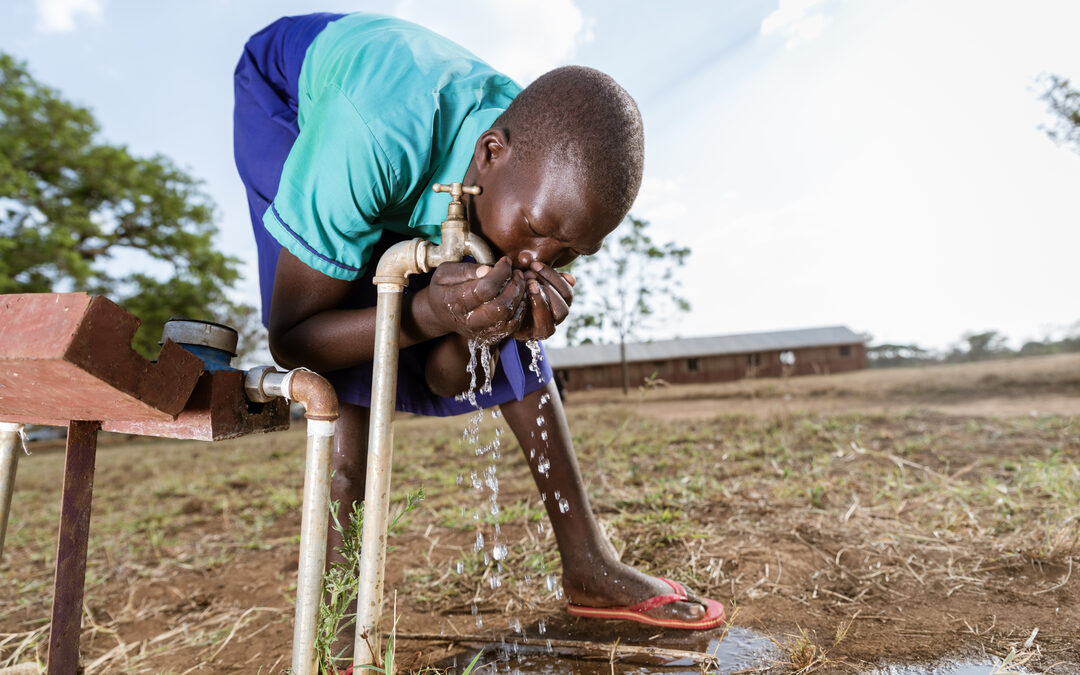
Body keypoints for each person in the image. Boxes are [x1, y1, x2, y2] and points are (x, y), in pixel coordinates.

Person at [233, 10, 724, 662]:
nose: (539, 257)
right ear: (491, 154)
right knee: (348, 338)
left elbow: (443, 373)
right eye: (540, 227)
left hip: (417, 151)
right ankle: (342, 610)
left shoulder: (537, 164)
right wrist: (430, 313)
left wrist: (491, 330)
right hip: (294, 104)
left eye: (569, 251)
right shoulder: (369, 134)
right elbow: (295, 337)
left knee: (505, 307)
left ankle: (587, 561)